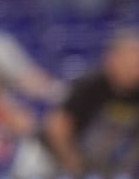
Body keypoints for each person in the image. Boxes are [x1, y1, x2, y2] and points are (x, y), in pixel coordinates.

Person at [43, 28, 139, 178]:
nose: (135, 70)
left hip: (118, 165)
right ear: (112, 60)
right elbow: (57, 125)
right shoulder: (89, 86)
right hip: (77, 162)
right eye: (130, 63)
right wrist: (73, 163)